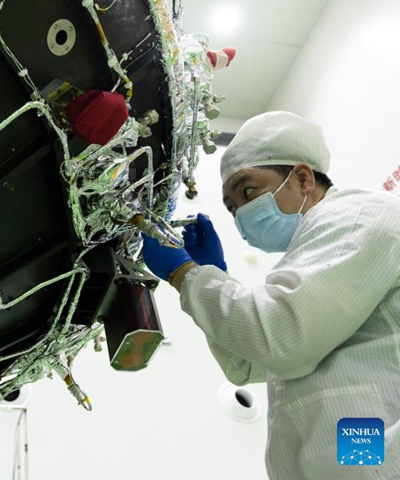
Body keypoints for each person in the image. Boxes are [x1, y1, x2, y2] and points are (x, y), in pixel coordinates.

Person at [141, 111, 400, 479]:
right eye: (232, 208)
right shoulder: (311, 256)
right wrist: (215, 276)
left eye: (247, 191)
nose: (242, 212)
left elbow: (281, 339)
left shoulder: (358, 217)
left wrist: (187, 274)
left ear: (302, 177)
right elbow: (246, 364)